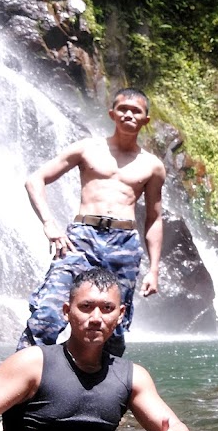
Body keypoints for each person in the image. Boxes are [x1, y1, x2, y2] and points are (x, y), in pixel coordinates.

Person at [0, 268, 192, 431]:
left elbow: (177, 428)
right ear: (67, 311)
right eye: (86, 306)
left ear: (120, 315)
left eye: (107, 308)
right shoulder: (33, 363)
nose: (96, 317)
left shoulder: (132, 376)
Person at [18, 87, 166, 357]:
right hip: (81, 239)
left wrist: (154, 269)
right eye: (123, 109)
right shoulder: (87, 148)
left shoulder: (152, 165)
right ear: (112, 114)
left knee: (114, 323)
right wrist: (49, 223)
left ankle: (105, 380)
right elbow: (35, 180)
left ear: (146, 120)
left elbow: (154, 218)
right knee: (49, 311)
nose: (129, 114)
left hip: (124, 244)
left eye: (136, 111)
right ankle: (26, 374)